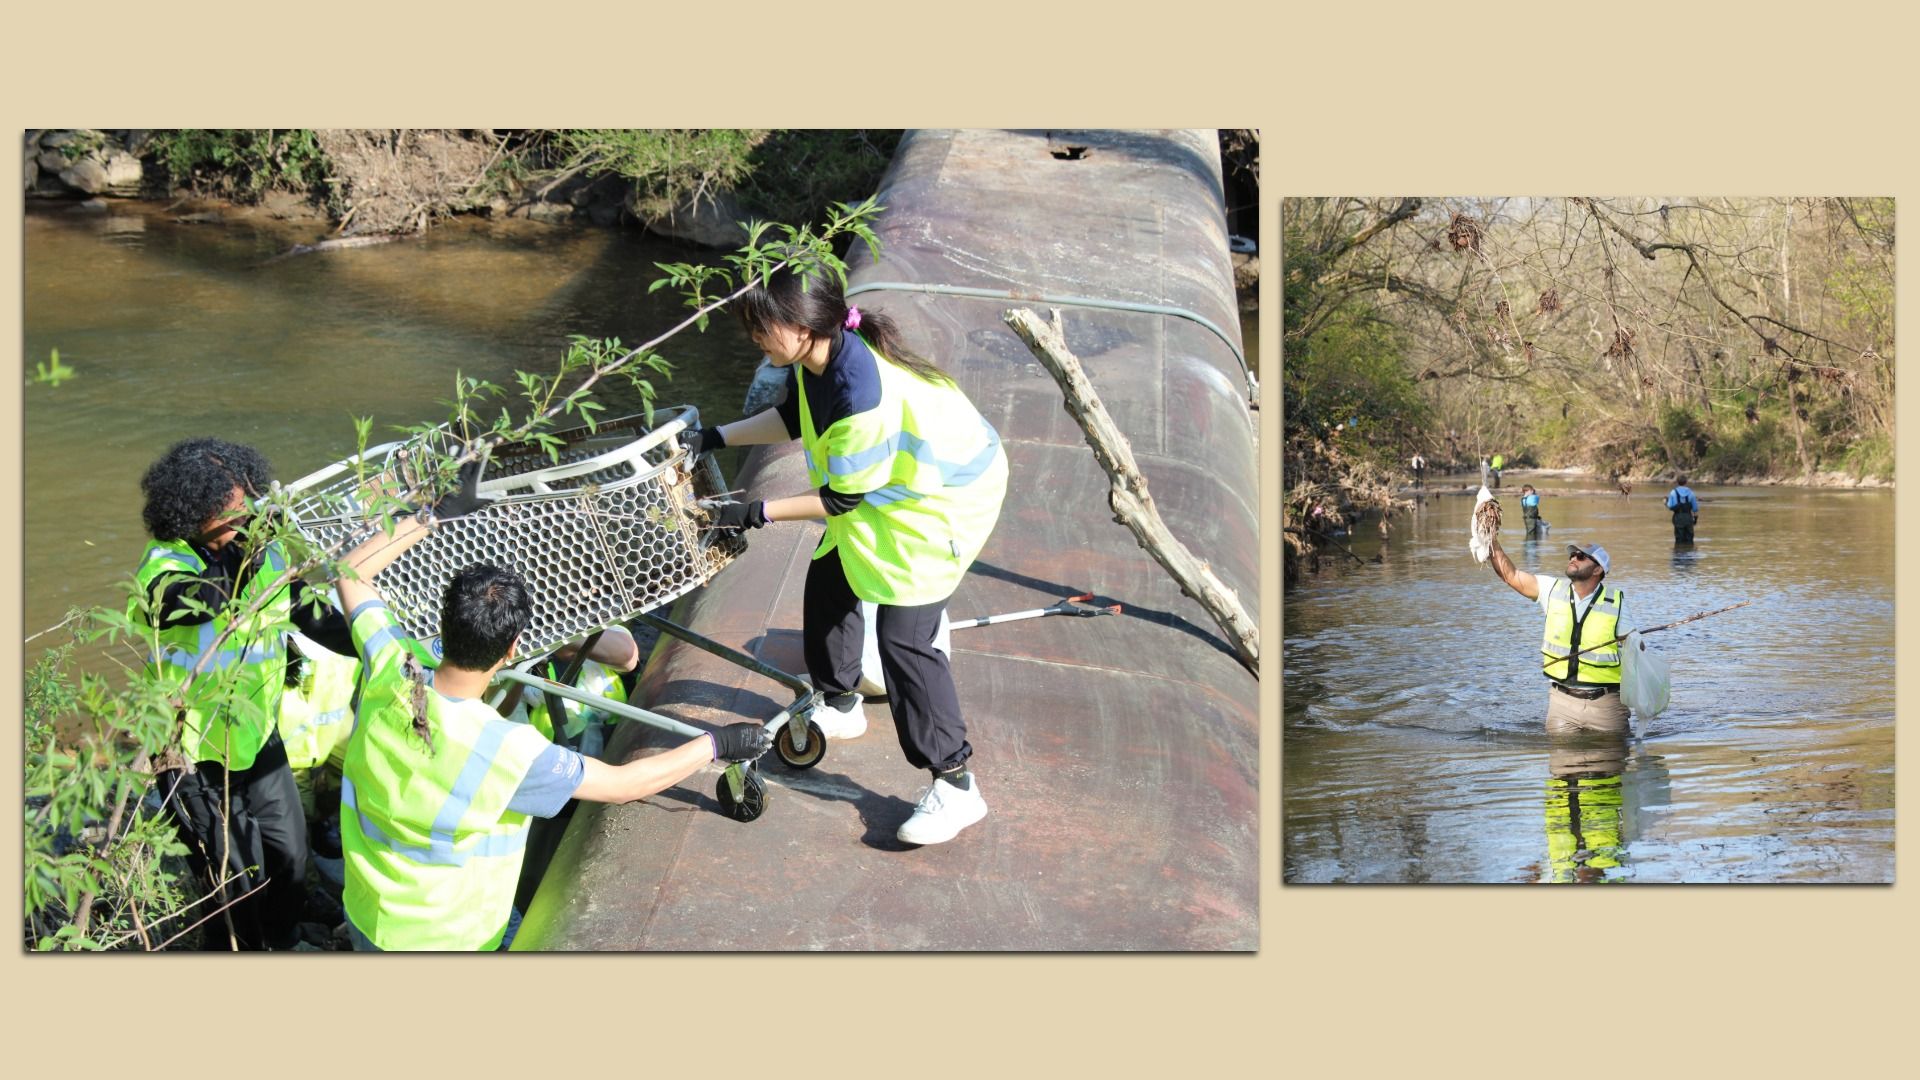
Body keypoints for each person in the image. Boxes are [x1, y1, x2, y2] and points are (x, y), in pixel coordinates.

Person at [334, 475, 770, 951]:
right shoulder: (503, 748)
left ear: (443, 623)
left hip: (367, 912)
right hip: (449, 936)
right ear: (513, 648)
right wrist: (718, 743)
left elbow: (351, 573)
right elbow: (625, 785)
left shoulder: (390, 669)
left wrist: (432, 514)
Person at [683, 266, 1009, 845]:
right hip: (896, 491)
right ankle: (840, 701)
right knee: (831, 577)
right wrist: (715, 436)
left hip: (945, 499)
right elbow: (793, 418)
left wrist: (752, 513)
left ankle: (957, 786)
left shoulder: (861, 393)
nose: (754, 339)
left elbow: (839, 499)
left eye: (762, 327)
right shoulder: (818, 362)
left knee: (906, 641)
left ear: (802, 325)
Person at [131, 437, 357, 950]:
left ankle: (281, 938)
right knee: (227, 880)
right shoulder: (163, 566)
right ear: (191, 511)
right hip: (190, 754)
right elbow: (197, 600)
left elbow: (319, 621)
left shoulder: (266, 555)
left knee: (290, 857)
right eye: (231, 510)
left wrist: (385, 646)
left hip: (257, 739)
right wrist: (250, 558)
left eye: (246, 505)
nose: (244, 517)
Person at [1485, 536, 1636, 736]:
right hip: (1561, 704)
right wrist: (1490, 542)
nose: (1573, 558)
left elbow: (1635, 653)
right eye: (1572, 555)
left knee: (1612, 762)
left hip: (1607, 705)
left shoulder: (1616, 603)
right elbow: (1510, 575)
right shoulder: (1551, 589)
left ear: (1598, 569)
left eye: (1581, 556)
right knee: (1562, 765)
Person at [1665, 475, 1701, 543]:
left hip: (1678, 518)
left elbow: (1669, 506)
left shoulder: (1673, 492)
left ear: (1677, 482)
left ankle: (1679, 551)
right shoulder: (1691, 493)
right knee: (1689, 539)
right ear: (1686, 482)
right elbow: (1695, 509)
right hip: (1688, 518)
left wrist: (1665, 502)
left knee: (1679, 539)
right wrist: (1695, 518)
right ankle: (1689, 552)